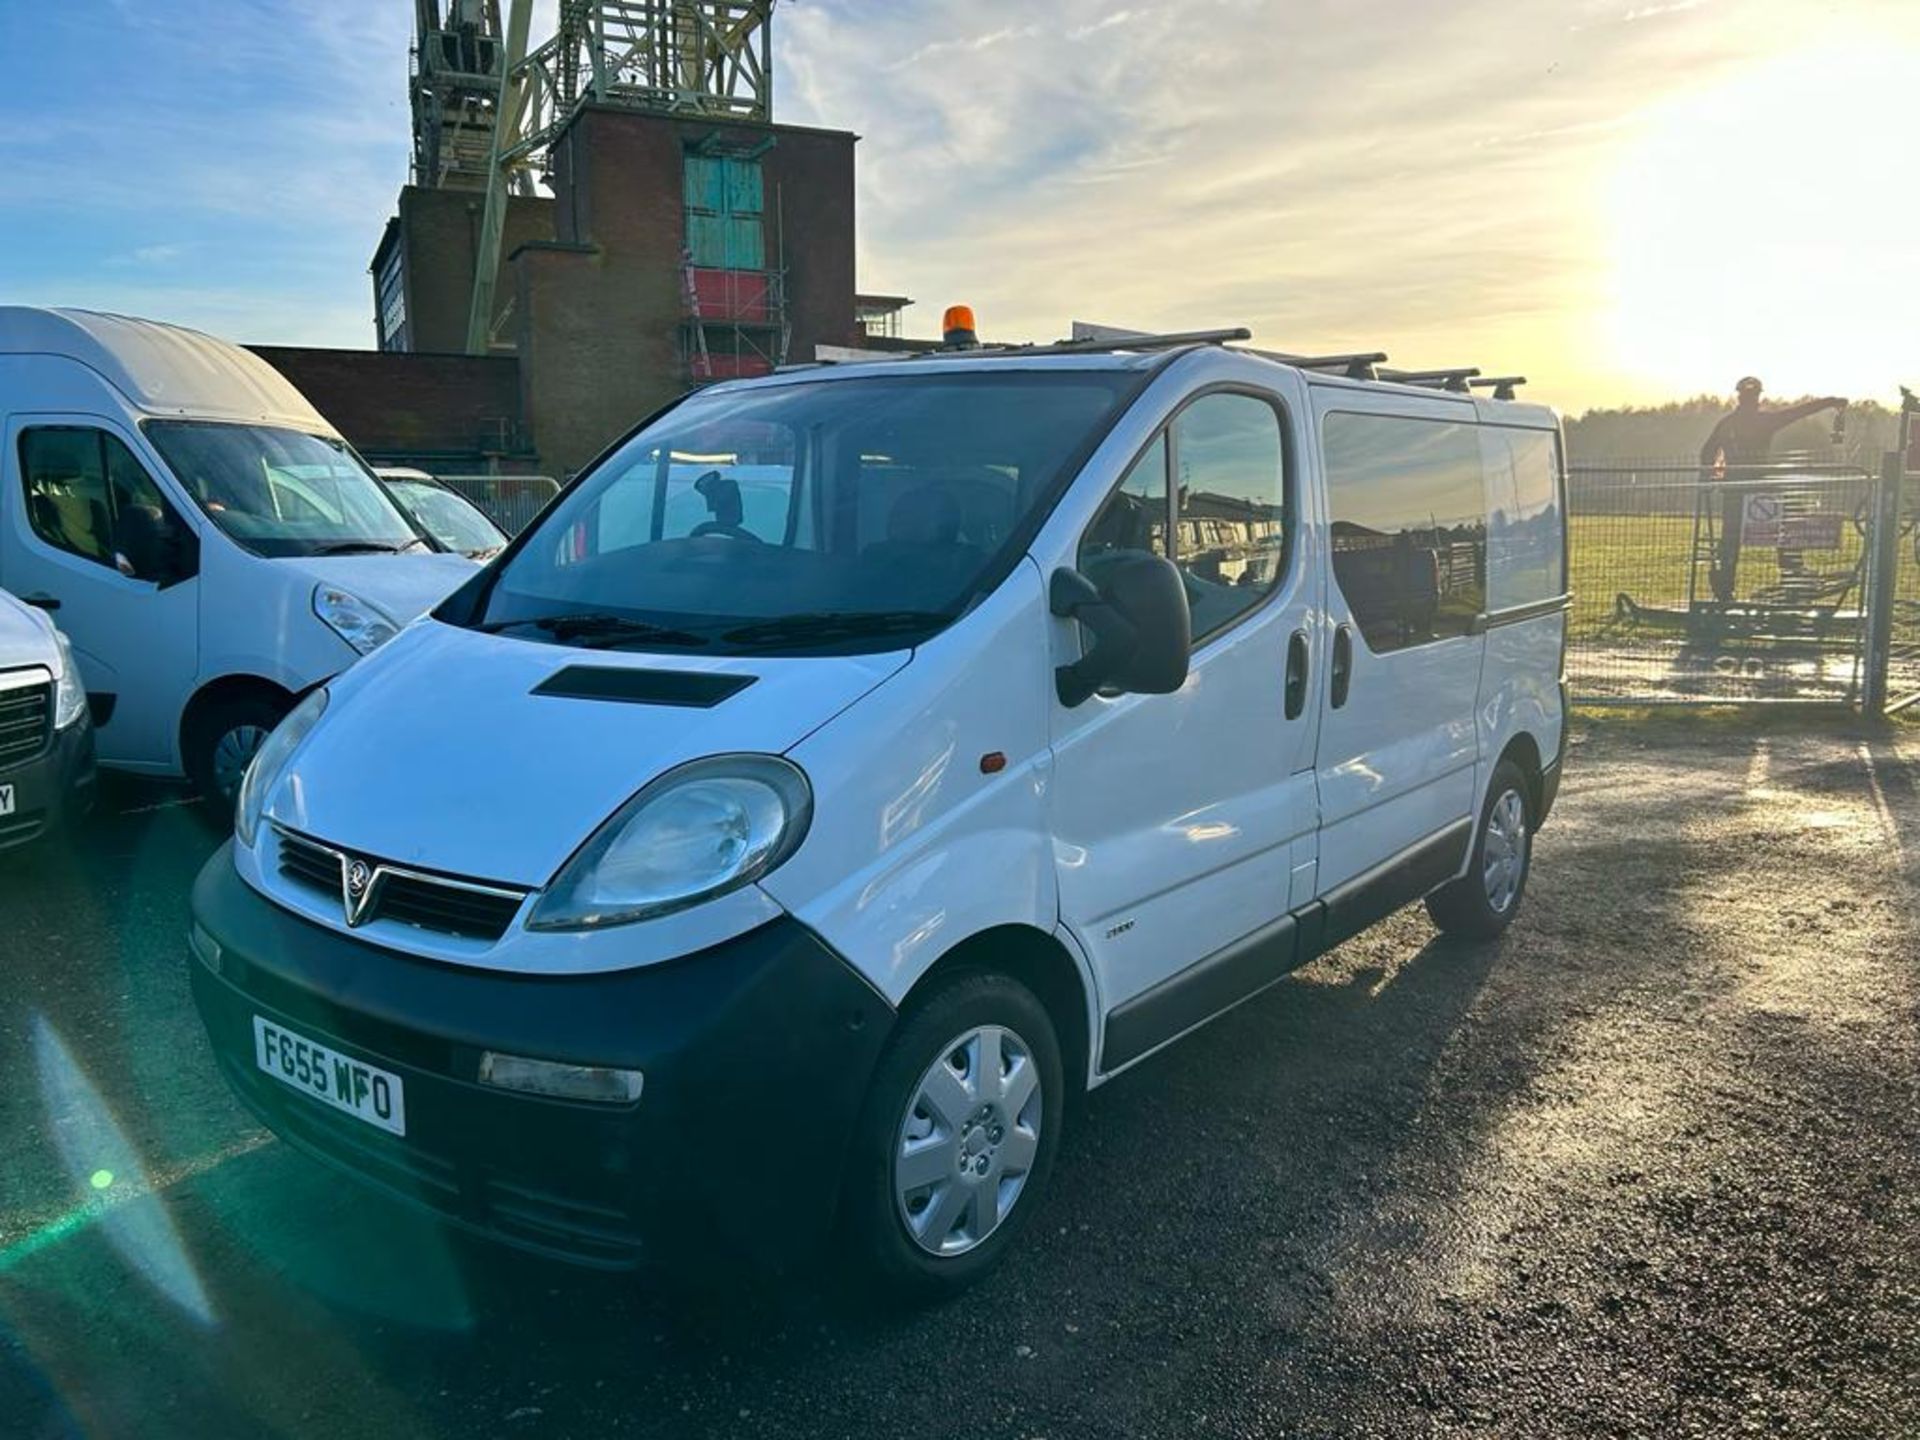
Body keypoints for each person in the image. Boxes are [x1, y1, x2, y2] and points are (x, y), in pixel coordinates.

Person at [1699, 377, 1846, 602]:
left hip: (1734, 488)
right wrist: (1829, 402)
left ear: (1739, 396)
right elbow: (1799, 412)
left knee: (1731, 539)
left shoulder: (1727, 423)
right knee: (1786, 526)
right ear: (1758, 397)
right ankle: (1792, 576)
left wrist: (1709, 477)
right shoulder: (1763, 421)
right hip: (1759, 487)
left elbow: (1707, 452)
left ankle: (1726, 588)